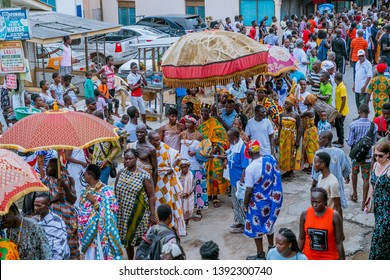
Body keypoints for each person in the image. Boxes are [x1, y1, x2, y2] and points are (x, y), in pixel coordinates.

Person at [243, 140, 283, 260]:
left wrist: (245, 204)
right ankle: (272, 249)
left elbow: (249, 190)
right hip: (270, 200)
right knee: (269, 223)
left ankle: (260, 254)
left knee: (256, 227)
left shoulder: (250, 169)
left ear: (249, 153)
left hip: (257, 203)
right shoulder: (270, 159)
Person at [115, 149, 156, 260]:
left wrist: (153, 214)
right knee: (128, 241)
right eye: (125, 159)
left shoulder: (144, 175)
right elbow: (115, 193)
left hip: (140, 214)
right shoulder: (121, 173)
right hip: (123, 215)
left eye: (130, 159)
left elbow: (151, 195)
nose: (127, 161)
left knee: (142, 241)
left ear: (136, 159)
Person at [78, 164, 123, 260]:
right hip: (86, 234)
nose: (84, 176)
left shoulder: (107, 191)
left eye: (85, 174)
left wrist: (94, 202)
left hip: (99, 234)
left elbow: (110, 213)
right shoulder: (86, 190)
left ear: (90, 176)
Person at [148, 131, 186, 236]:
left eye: (158, 138)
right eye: (155, 140)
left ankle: (169, 226)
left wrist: (172, 169)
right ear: (150, 141)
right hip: (152, 180)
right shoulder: (148, 149)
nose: (158, 141)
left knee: (167, 201)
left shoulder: (164, 147)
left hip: (165, 180)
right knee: (154, 203)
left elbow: (177, 156)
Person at [42, 158, 79, 259]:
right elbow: (41, 204)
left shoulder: (69, 179)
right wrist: (55, 199)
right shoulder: (44, 182)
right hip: (54, 222)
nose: (46, 168)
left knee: (71, 243)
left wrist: (65, 187)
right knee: (56, 245)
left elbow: (73, 200)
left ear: (57, 168)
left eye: (49, 166)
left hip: (69, 219)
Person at [298, 188, 345, 260]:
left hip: (329, 258)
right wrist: (296, 257)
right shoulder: (305, 214)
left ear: (325, 200)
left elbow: (339, 242)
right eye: (312, 202)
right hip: (308, 258)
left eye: (317, 202)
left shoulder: (334, 216)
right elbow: (301, 238)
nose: (314, 205)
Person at [198, 103, 229, 207]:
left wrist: (216, 147)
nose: (204, 114)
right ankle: (208, 194)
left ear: (209, 112)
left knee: (215, 175)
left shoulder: (214, 122)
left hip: (214, 153)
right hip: (203, 153)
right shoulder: (198, 124)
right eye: (202, 111)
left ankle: (215, 196)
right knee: (203, 174)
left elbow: (223, 137)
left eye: (206, 111)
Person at [347, 104, 377, 209]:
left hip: (356, 156)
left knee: (354, 174)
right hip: (367, 157)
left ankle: (354, 194)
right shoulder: (374, 126)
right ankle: (364, 202)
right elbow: (373, 142)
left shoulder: (353, 125)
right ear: (369, 112)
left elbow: (350, 142)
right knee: (365, 179)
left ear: (359, 111)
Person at [179, 114, 207, 221]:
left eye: (189, 122)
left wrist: (195, 153)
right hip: (183, 165)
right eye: (186, 122)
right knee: (184, 188)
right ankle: (186, 210)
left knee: (197, 188)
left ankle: (198, 210)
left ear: (195, 124)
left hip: (196, 165)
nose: (187, 124)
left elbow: (205, 151)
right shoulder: (182, 134)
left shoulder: (199, 136)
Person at [366, 141, 390, 259]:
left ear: (387, 154)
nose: (377, 158)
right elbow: (372, 184)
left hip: (387, 211)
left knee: (377, 238)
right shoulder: (375, 165)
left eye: (380, 155)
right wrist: (368, 199)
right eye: (375, 155)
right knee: (384, 238)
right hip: (378, 208)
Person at [224, 128, 249, 233]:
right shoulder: (234, 145)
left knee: (241, 203)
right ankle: (239, 221)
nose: (227, 139)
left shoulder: (242, 149)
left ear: (234, 138)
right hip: (234, 180)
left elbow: (245, 167)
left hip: (240, 181)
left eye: (229, 138)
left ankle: (244, 225)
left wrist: (242, 182)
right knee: (236, 202)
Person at [33, 193, 70, 260]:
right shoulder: (35, 220)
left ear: (47, 205)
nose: (35, 208)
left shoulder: (57, 223)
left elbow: (59, 248)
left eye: (38, 206)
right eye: (34, 205)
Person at [278, 94, 302, 179]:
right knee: (284, 153)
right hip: (283, 137)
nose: (285, 105)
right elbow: (280, 126)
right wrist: (278, 137)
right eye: (285, 103)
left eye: (287, 104)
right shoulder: (282, 115)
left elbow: (299, 128)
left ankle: (291, 171)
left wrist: (298, 140)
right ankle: (286, 170)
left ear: (292, 105)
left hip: (292, 137)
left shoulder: (296, 115)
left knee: (291, 153)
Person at [313, 152, 342, 218]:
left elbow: (338, 207)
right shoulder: (320, 177)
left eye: (316, 163)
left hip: (329, 217)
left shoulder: (332, 182)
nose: (314, 165)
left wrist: (339, 225)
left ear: (322, 164)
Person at [301, 94, 319, 171]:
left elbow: (299, 116)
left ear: (309, 102)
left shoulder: (308, 112)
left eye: (306, 99)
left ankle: (311, 166)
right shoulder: (310, 110)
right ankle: (310, 165)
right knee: (310, 147)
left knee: (310, 148)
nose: (304, 100)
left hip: (310, 131)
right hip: (311, 130)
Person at [178, 159, 194, 229]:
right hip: (180, 195)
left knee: (187, 209)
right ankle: (181, 222)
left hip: (188, 195)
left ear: (188, 167)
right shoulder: (178, 175)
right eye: (182, 167)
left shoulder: (191, 175)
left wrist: (189, 193)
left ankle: (187, 221)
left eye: (185, 167)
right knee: (180, 208)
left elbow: (194, 185)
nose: (184, 169)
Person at [334, 73, 349, 147]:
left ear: (335, 79)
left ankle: (341, 142)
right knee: (337, 125)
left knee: (340, 126)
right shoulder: (338, 86)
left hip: (342, 111)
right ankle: (339, 139)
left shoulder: (342, 87)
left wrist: (340, 112)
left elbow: (344, 100)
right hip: (338, 110)